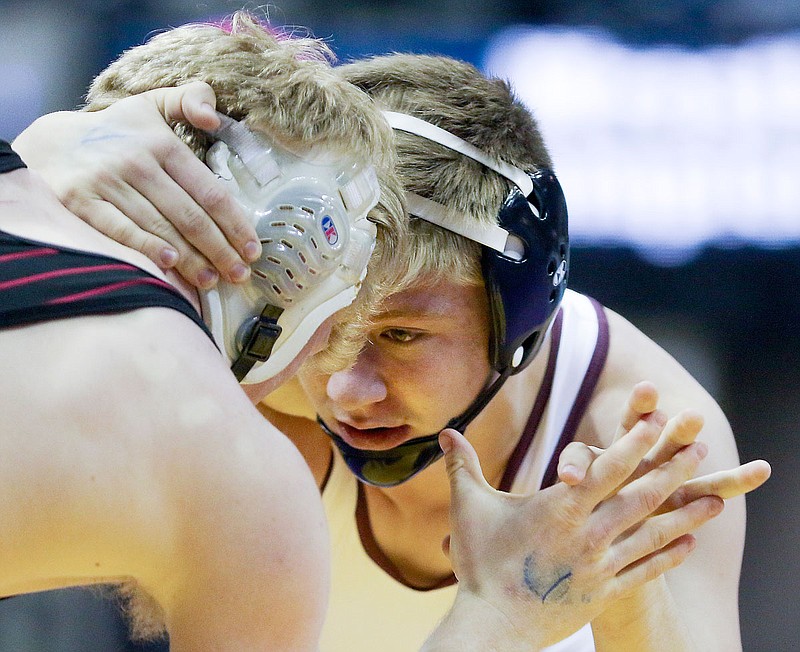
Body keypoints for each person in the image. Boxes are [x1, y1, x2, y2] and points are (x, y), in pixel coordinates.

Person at [13, 50, 771, 651]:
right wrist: (56, 143)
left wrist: (624, 579)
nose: (346, 386)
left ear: (521, 320)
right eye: (323, 318)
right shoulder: (259, 379)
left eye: (399, 335)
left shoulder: (635, 436)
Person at [0, 12, 410, 650]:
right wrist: (502, 618)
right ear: (295, 263)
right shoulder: (242, 482)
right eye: (330, 333)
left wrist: (29, 148)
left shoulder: (25, 160)